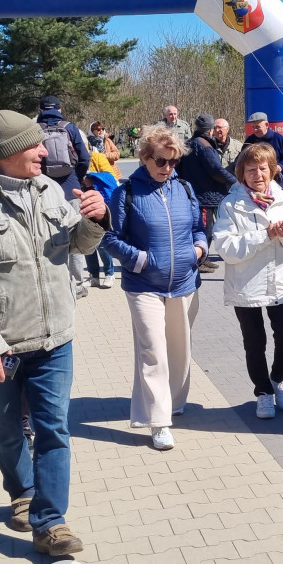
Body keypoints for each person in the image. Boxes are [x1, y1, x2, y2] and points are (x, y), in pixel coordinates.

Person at [0, 109, 109, 555]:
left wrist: (95, 221)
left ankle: (51, 522)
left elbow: (74, 245)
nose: (45, 150)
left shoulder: (51, 189)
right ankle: (22, 492)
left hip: (56, 338)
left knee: (53, 429)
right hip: (0, 345)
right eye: (35, 144)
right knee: (7, 430)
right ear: (8, 152)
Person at [102, 125, 208, 451]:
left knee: (180, 350)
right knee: (153, 353)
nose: (167, 168)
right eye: (161, 161)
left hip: (184, 283)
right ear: (146, 158)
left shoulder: (185, 189)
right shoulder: (126, 193)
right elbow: (110, 239)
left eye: (173, 162)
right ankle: (158, 421)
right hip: (143, 285)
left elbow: (197, 228)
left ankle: (173, 401)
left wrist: (199, 250)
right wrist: (142, 260)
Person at [211, 143, 283, 418]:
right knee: (255, 341)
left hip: (281, 282)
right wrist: (266, 235)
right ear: (241, 173)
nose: (258, 175)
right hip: (247, 284)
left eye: (263, 168)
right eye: (250, 169)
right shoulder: (231, 204)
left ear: (273, 170)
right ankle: (263, 392)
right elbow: (226, 250)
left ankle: (278, 380)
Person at [37, 95, 92, 298]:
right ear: (59, 109)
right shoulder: (70, 128)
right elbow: (84, 157)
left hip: (43, 188)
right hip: (71, 188)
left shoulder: (34, 129)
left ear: (41, 109)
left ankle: (54, 282)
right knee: (74, 233)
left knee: (47, 235)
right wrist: (75, 178)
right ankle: (77, 284)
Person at [178, 114, 236, 274]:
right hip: (205, 195)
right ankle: (198, 259)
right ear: (210, 130)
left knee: (202, 228)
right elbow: (215, 170)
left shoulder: (191, 143)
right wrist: (234, 181)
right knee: (204, 230)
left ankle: (204, 257)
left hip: (195, 192)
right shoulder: (204, 146)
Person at [244, 111, 283, 189]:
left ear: (267, 125)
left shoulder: (278, 139)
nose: (255, 130)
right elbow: (241, 159)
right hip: (256, 182)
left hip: (277, 181)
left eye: (257, 127)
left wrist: (280, 166)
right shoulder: (250, 141)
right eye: (253, 127)